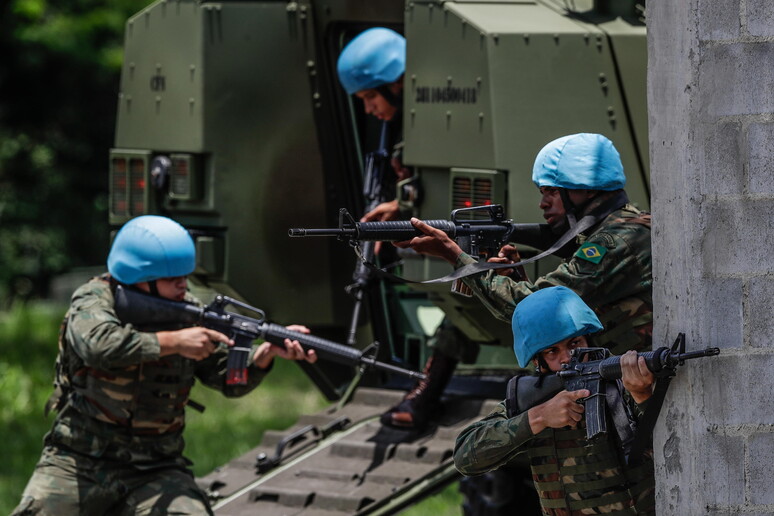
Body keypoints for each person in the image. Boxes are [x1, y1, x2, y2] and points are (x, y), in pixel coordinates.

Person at [12, 215, 317, 516]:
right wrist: (174, 342)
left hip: (156, 469)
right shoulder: (94, 299)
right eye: (172, 279)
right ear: (137, 276)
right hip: (78, 462)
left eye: (185, 277)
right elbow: (99, 345)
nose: (183, 286)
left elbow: (228, 380)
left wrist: (263, 355)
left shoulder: (188, 312)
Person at [337, 28, 476, 430]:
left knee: (467, 294)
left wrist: (404, 205)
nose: (369, 110)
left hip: (463, 232)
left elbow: (452, 181)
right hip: (437, 234)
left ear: (397, 83)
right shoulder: (398, 128)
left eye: (370, 97)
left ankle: (427, 392)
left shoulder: (438, 121)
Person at [454, 286, 656, 515]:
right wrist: (538, 417)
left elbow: (669, 446)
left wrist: (642, 395)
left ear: (588, 339)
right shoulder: (531, 398)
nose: (567, 357)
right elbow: (465, 457)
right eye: (552, 351)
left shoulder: (623, 380)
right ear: (537, 361)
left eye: (574, 343)